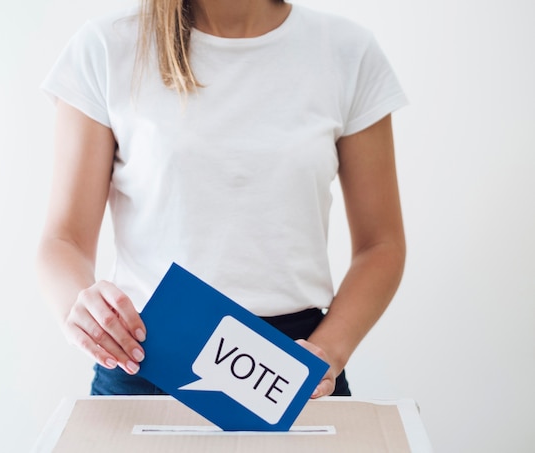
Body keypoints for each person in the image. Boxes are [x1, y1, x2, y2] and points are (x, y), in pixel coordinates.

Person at [37, 0, 407, 399]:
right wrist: (80, 306)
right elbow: (64, 240)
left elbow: (380, 245)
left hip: (294, 364)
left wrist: (328, 352)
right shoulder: (106, 47)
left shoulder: (347, 51)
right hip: (145, 357)